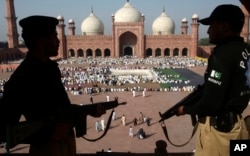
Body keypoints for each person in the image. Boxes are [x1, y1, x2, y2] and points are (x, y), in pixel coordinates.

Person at [0, 15, 106, 156]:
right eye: (54, 37)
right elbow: (3, 130)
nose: (58, 41)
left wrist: (88, 111)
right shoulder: (22, 77)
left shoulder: (51, 69)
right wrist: (48, 133)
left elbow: (62, 109)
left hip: (66, 147)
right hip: (45, 150)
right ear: (42, 40)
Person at [176, 5, 249, 156]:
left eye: (212, 26)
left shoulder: (222, 54)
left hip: (219, 134)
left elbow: (211, 102)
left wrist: (185, 109)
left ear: (224, 27)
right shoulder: (246, 50)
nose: (208, 30)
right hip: (238, 128)